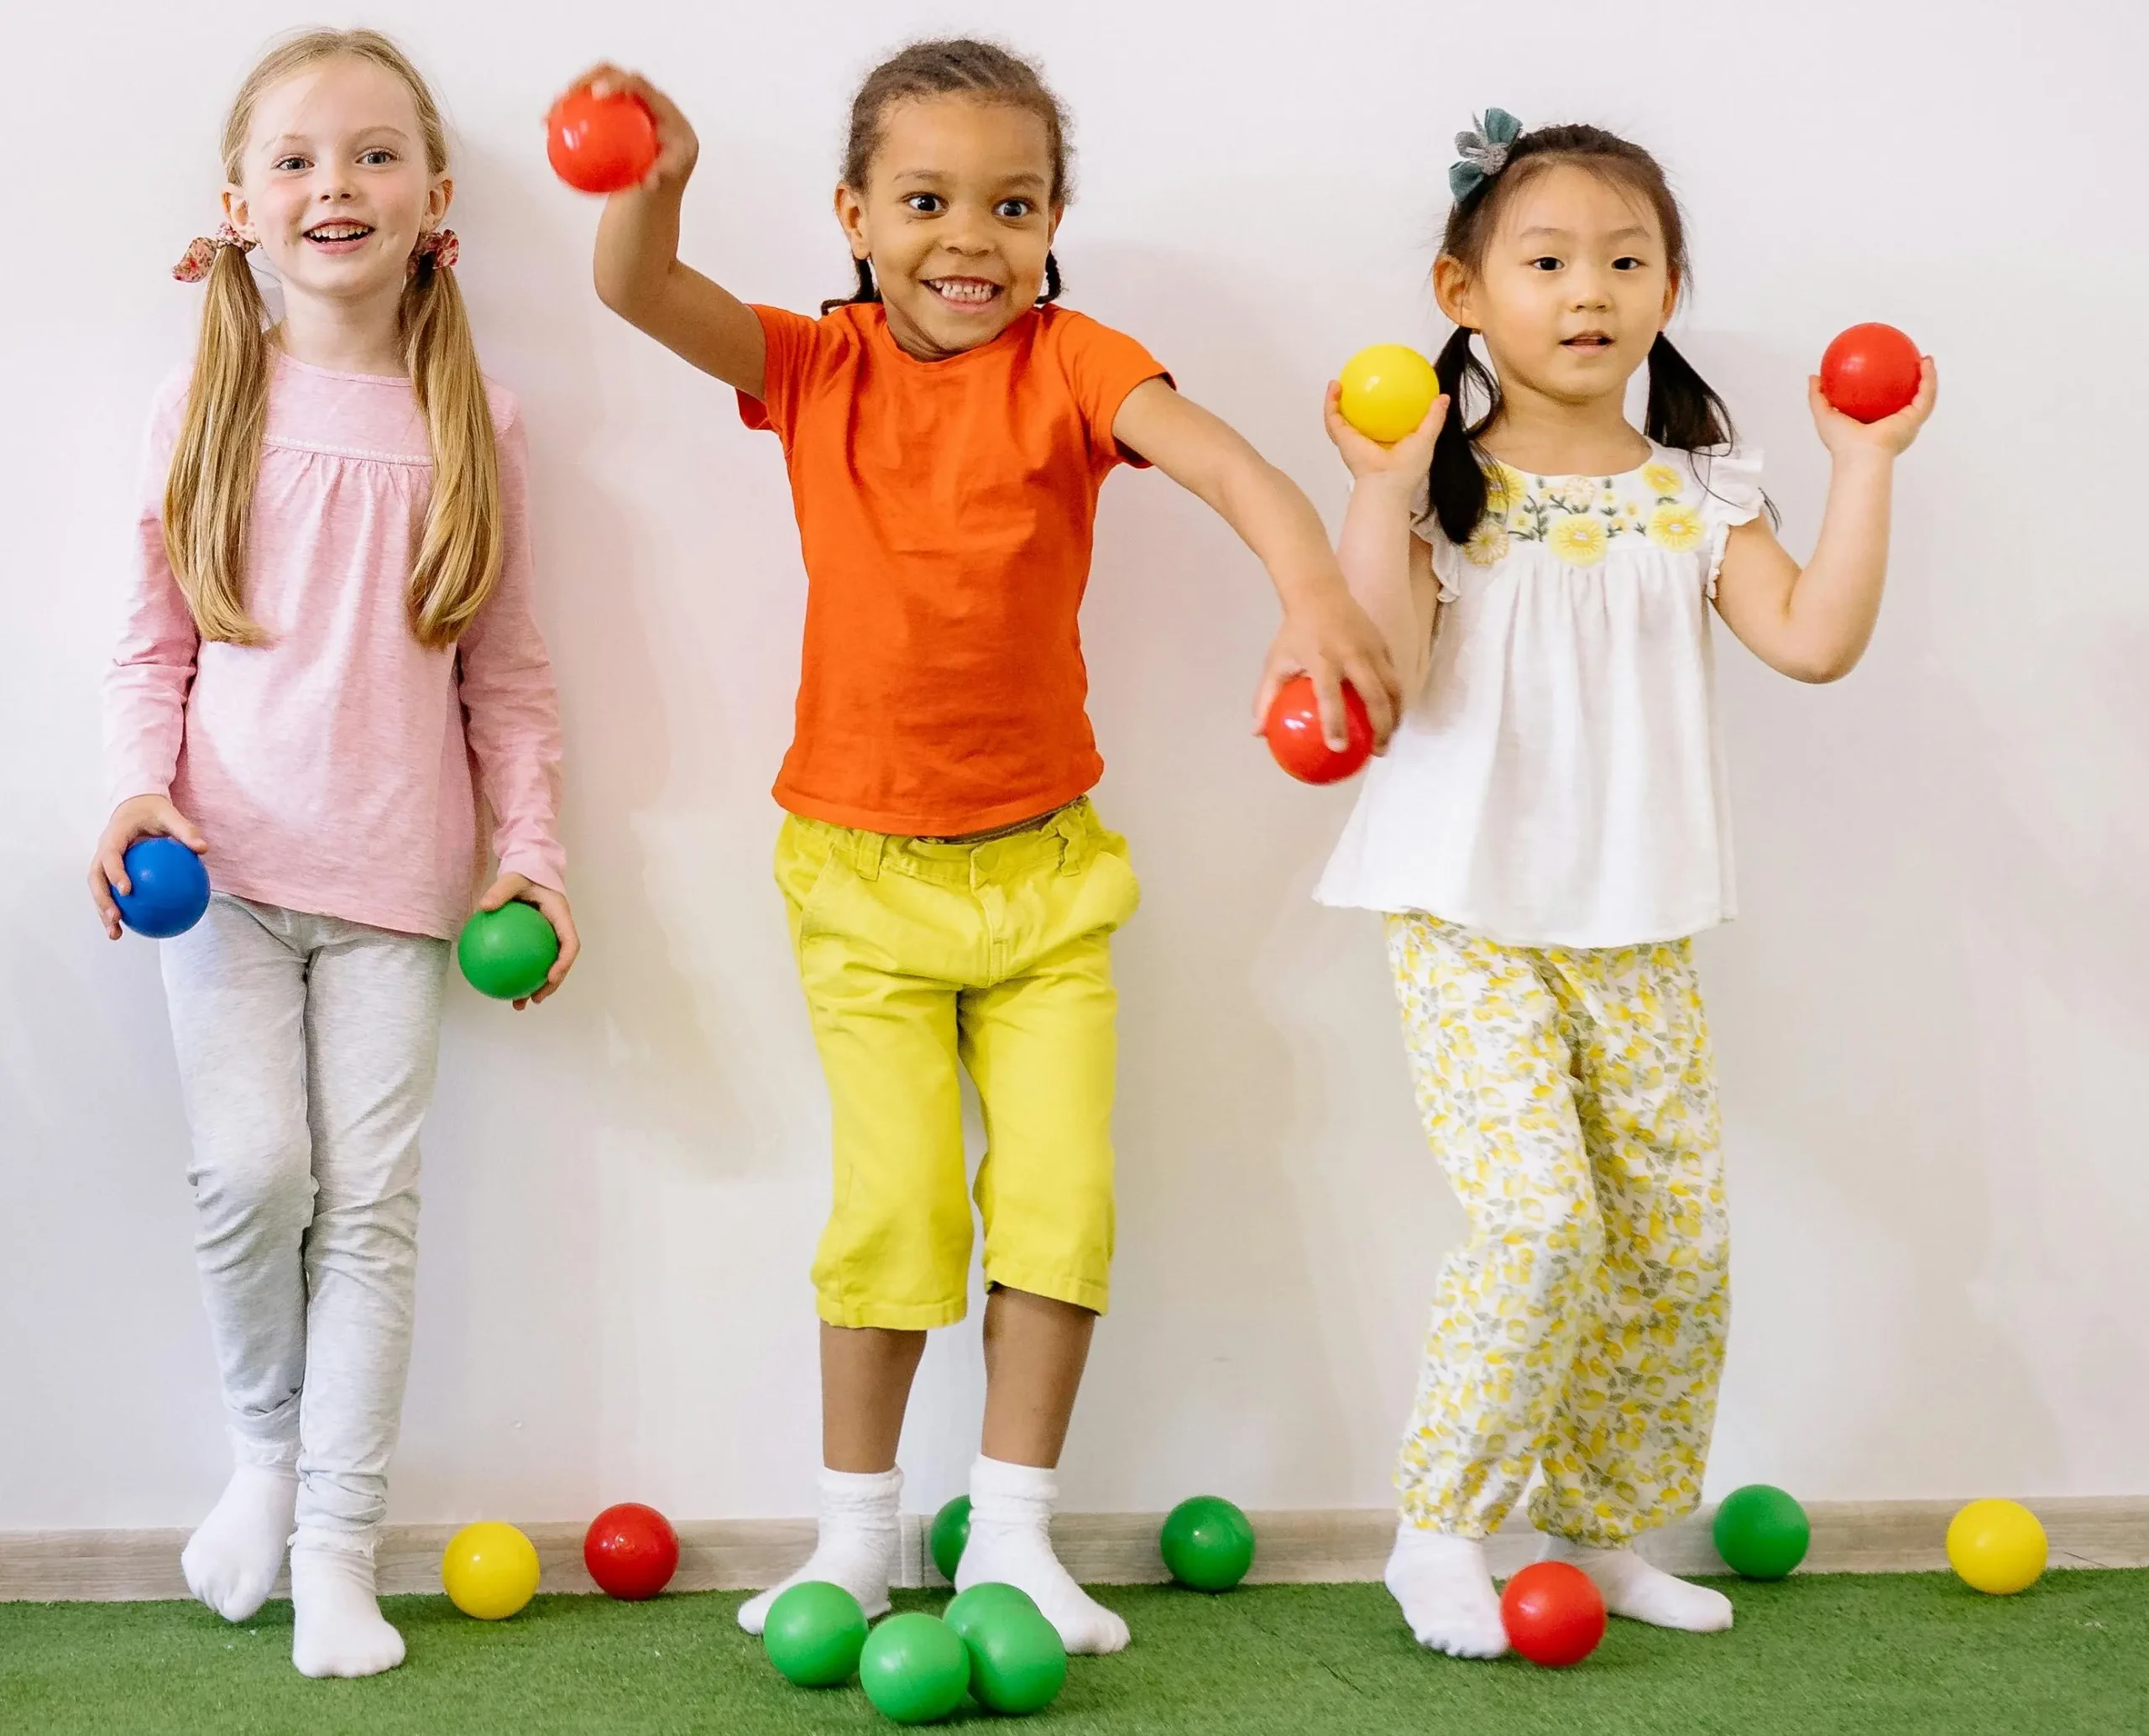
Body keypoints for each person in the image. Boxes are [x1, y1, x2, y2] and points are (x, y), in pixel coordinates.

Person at [575, 35, 1400, 1653]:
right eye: (930, 200)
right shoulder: (814, 367)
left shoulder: (1079, 363)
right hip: (860, 877)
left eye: (1013, 205)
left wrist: (1312, 591)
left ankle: (1014, 1534)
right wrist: (652, 190)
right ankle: (856, 1540)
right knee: (894, 1212)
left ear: (1054, 221)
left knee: (1062, 1201)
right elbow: (637, 293)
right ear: (857, 216)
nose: (972, 237)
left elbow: (1228, 459)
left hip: (1046, 877)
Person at [1315, 109, 1934, 1657]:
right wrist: (1379, 490)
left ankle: (1596, 1534)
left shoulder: (1702, 491)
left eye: (1624, 258)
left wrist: (1861, 463)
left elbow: (1813, 640)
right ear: (1464, 293)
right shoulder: (1449, 488)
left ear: (1671, 287)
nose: (1587, 289)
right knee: (1537, 1226)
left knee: (1672, 1241)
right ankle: (1440, 1529)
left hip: (1636, 921)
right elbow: (1380, 676)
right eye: (1545, 260)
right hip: (1465, 914)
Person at [92, 28, 576, 1678]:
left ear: (436, 199)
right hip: (215, 874)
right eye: (295, 160)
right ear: (237, 204)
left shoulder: (478, 421)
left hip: (396, 888)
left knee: (370, 1202)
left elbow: (505, 679)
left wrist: (535, 860)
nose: (334, 185)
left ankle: (334, 1547)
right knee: (253, 1175)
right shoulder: (201, 397)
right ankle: (267, 1454)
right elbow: (149, 650)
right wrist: (131, 796)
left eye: (373, 155)